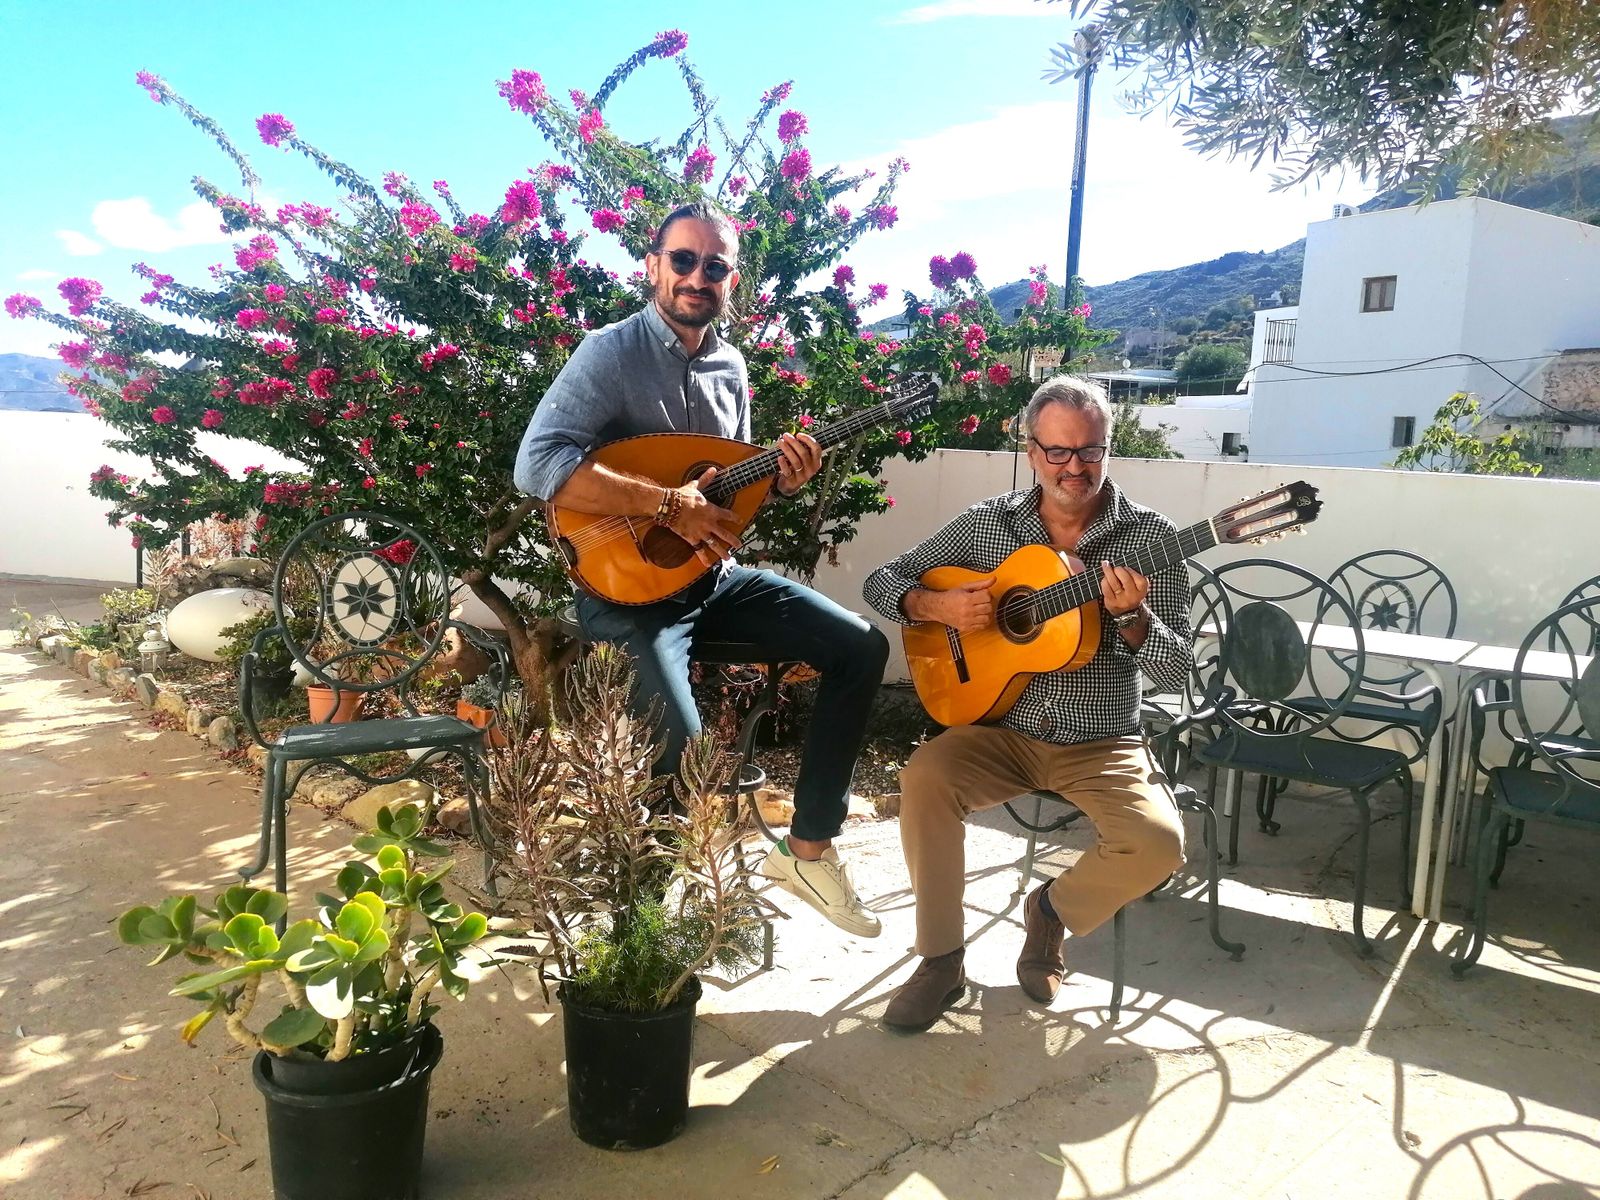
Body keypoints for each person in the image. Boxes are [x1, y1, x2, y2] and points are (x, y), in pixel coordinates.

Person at [514, 200, 889, 939]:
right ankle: (647, 919)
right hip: (625, 594)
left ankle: (809, 851)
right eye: (682, 260)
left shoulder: (732, 367)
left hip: (711, 581)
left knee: (862, 646)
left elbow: (724, 491)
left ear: (732, 280)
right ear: (652, 266)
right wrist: (664, 506)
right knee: (690, 756)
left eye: (713, 266)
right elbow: (538, 465)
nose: (696, 277)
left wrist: (778, 479)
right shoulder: (609, 353)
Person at [861, 376, 1192, 1030]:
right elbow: (882, 581)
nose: (1075, 467)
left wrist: (1135, 621)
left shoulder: (1152, 541)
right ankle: (940, 961)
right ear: (1031, 450)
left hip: (1101, 742)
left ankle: (1050, 915)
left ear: (1109, 447)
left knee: (1158, 846)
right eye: (1059, 452)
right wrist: (935, 605)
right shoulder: (987, 527)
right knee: (925, 777)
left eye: (1090, 451)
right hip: (1001, 732)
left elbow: (1178, 670)